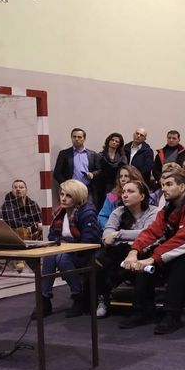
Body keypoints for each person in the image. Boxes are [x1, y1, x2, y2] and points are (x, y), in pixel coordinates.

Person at [120, 172, 185, 334]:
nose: (164, 188)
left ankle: (172, 315)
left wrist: (154, 258)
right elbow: (152, 231)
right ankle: (142, 310)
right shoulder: (168, 208)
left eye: (169, 184)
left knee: (180, 260)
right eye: (163, 185)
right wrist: (134, 251)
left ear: (182, 187)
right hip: (176, 251)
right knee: (145, 256)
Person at [40, 179, 103, 318]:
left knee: (61, 257)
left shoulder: (87, 212)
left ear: (78, 196)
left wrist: (66, 244)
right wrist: (63, 244)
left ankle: (78, 296)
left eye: (68, 195)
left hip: (86, 254)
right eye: (62, 194)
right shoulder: (59, 212)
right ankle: (44, 299)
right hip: (66, 250)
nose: (63, 198)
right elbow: (52, 236)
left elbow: (89, 241)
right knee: (50, 256)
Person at [96, 180, 158, 318]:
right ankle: (102, 299)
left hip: (145, 251)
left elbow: (147, 233)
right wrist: (113, 237)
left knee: (130, 253)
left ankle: (142, 307)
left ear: (142, 196)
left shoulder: (153, 211)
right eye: (123, 192)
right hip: (119, 251)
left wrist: (119, 234)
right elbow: (107, 234)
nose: (125, 195)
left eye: (130, 192)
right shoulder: (118, 211)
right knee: (99, 258)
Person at [52, 128, 102, 204]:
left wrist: (92, 174)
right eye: (74, 137)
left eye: (79, 137)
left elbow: (99, 170)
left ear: (84, 139)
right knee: (71, 210)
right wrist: (67, 185)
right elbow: (57, 173)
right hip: (70, 190)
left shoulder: (92, 154)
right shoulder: (64, 154)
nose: (76, 139)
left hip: (87, 189)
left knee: (88, 208)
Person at [93, 132, 126, 210]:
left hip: (114, 186)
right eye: (112, 140)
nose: (114, 142)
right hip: (101, 186)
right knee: (100, 205)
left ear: (119, 144)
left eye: (117, 141)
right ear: (108, 141)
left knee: (110, 204)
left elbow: (124, 170)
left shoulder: (122, 157)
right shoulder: (100, 155)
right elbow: (97, 169)